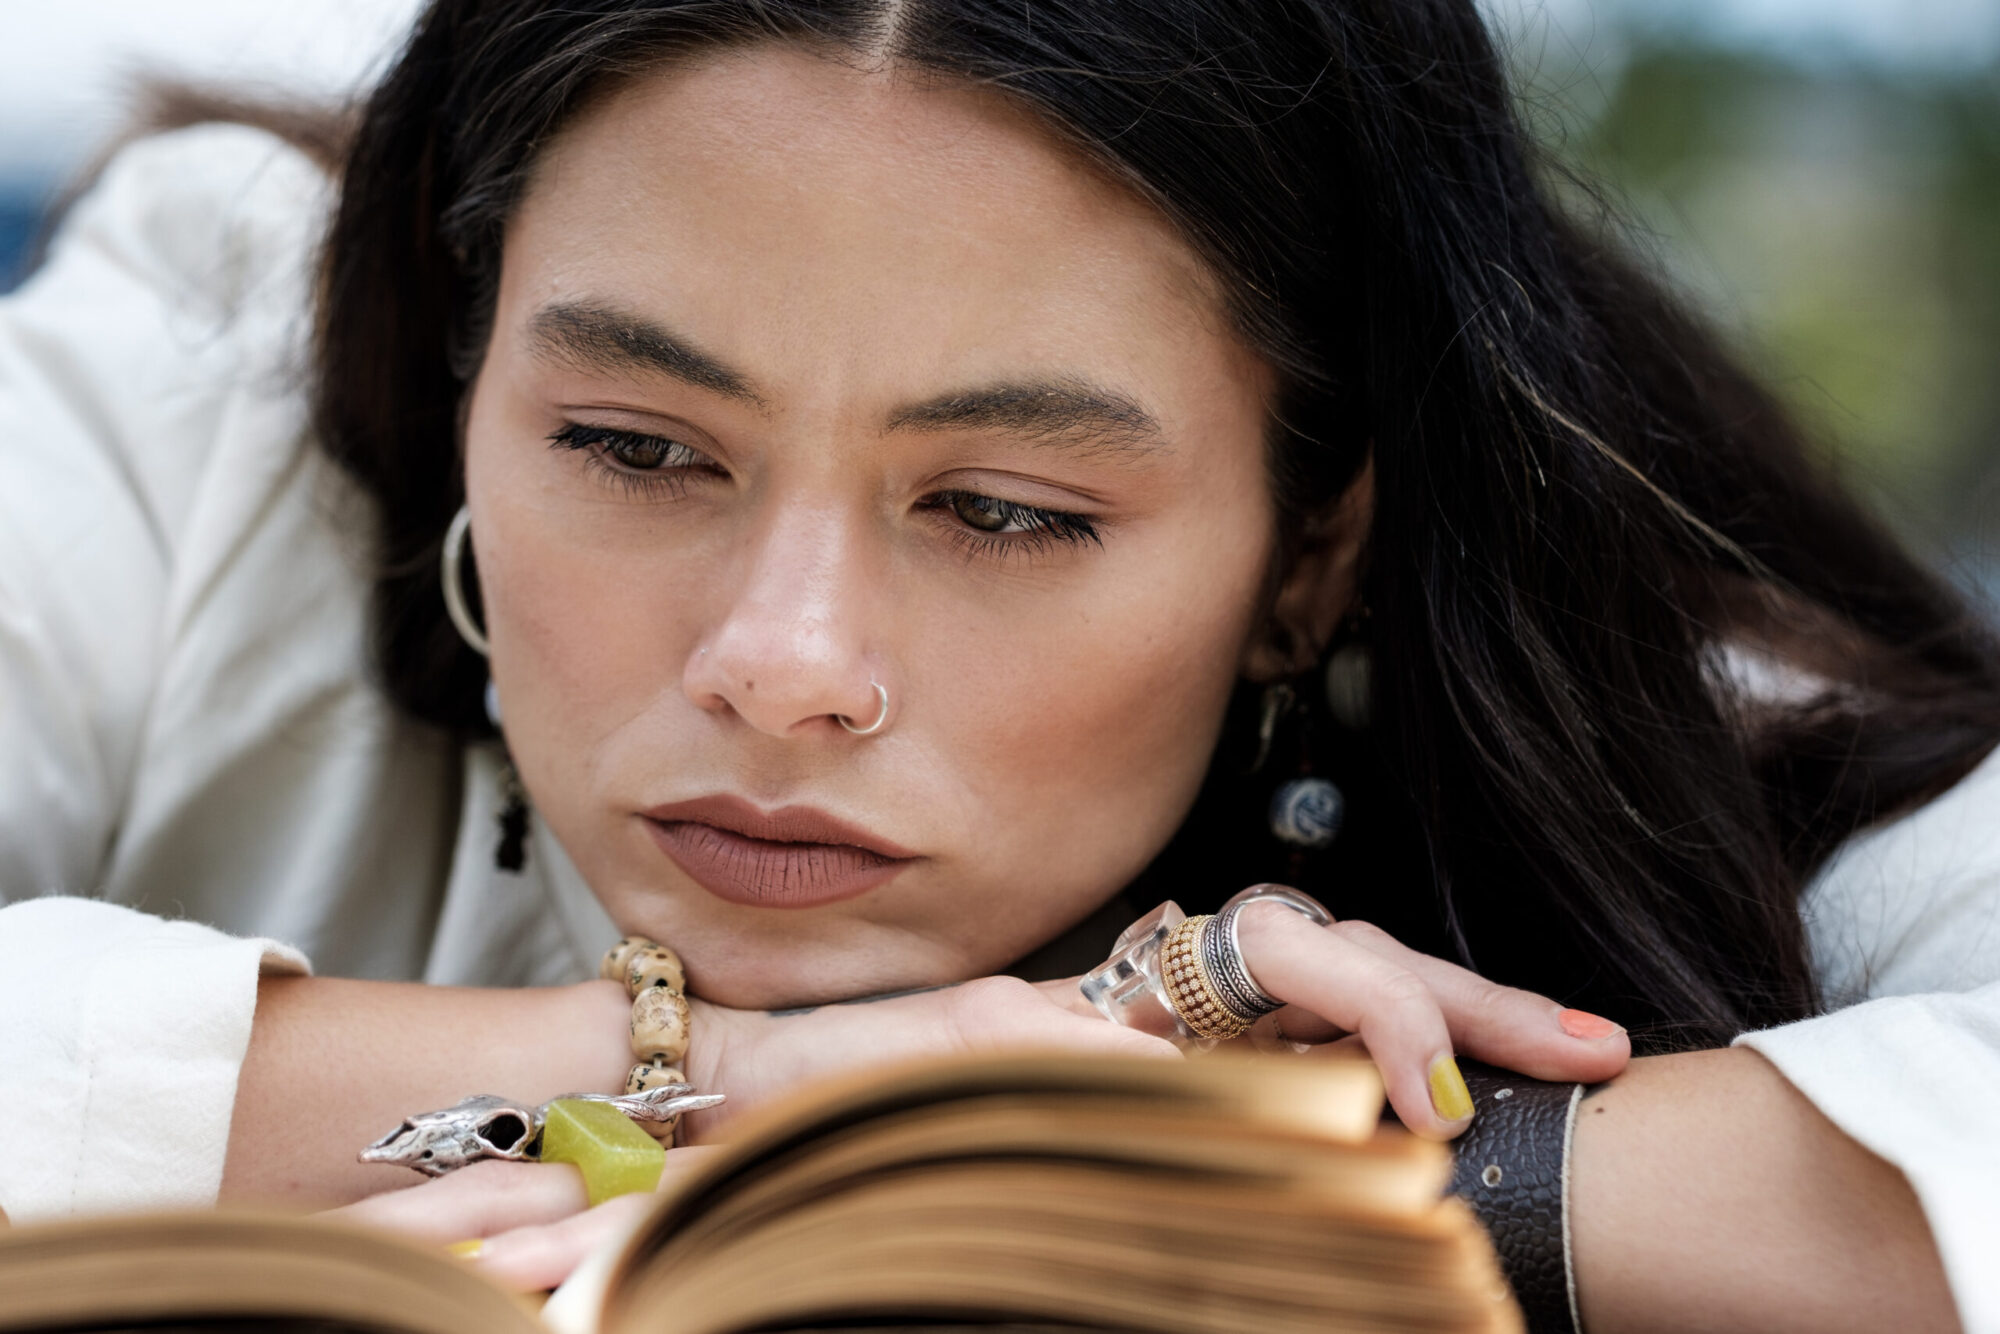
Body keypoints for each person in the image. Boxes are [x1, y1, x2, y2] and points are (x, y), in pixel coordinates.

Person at [2, 0, 1995, 1329]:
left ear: (1318, 554)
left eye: (1008, 508)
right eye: (632, 449)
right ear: (467, 364)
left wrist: (1176, 1165)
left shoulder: (1697, 729)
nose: (780, 667)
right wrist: (741, 1078)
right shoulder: (206, 367)